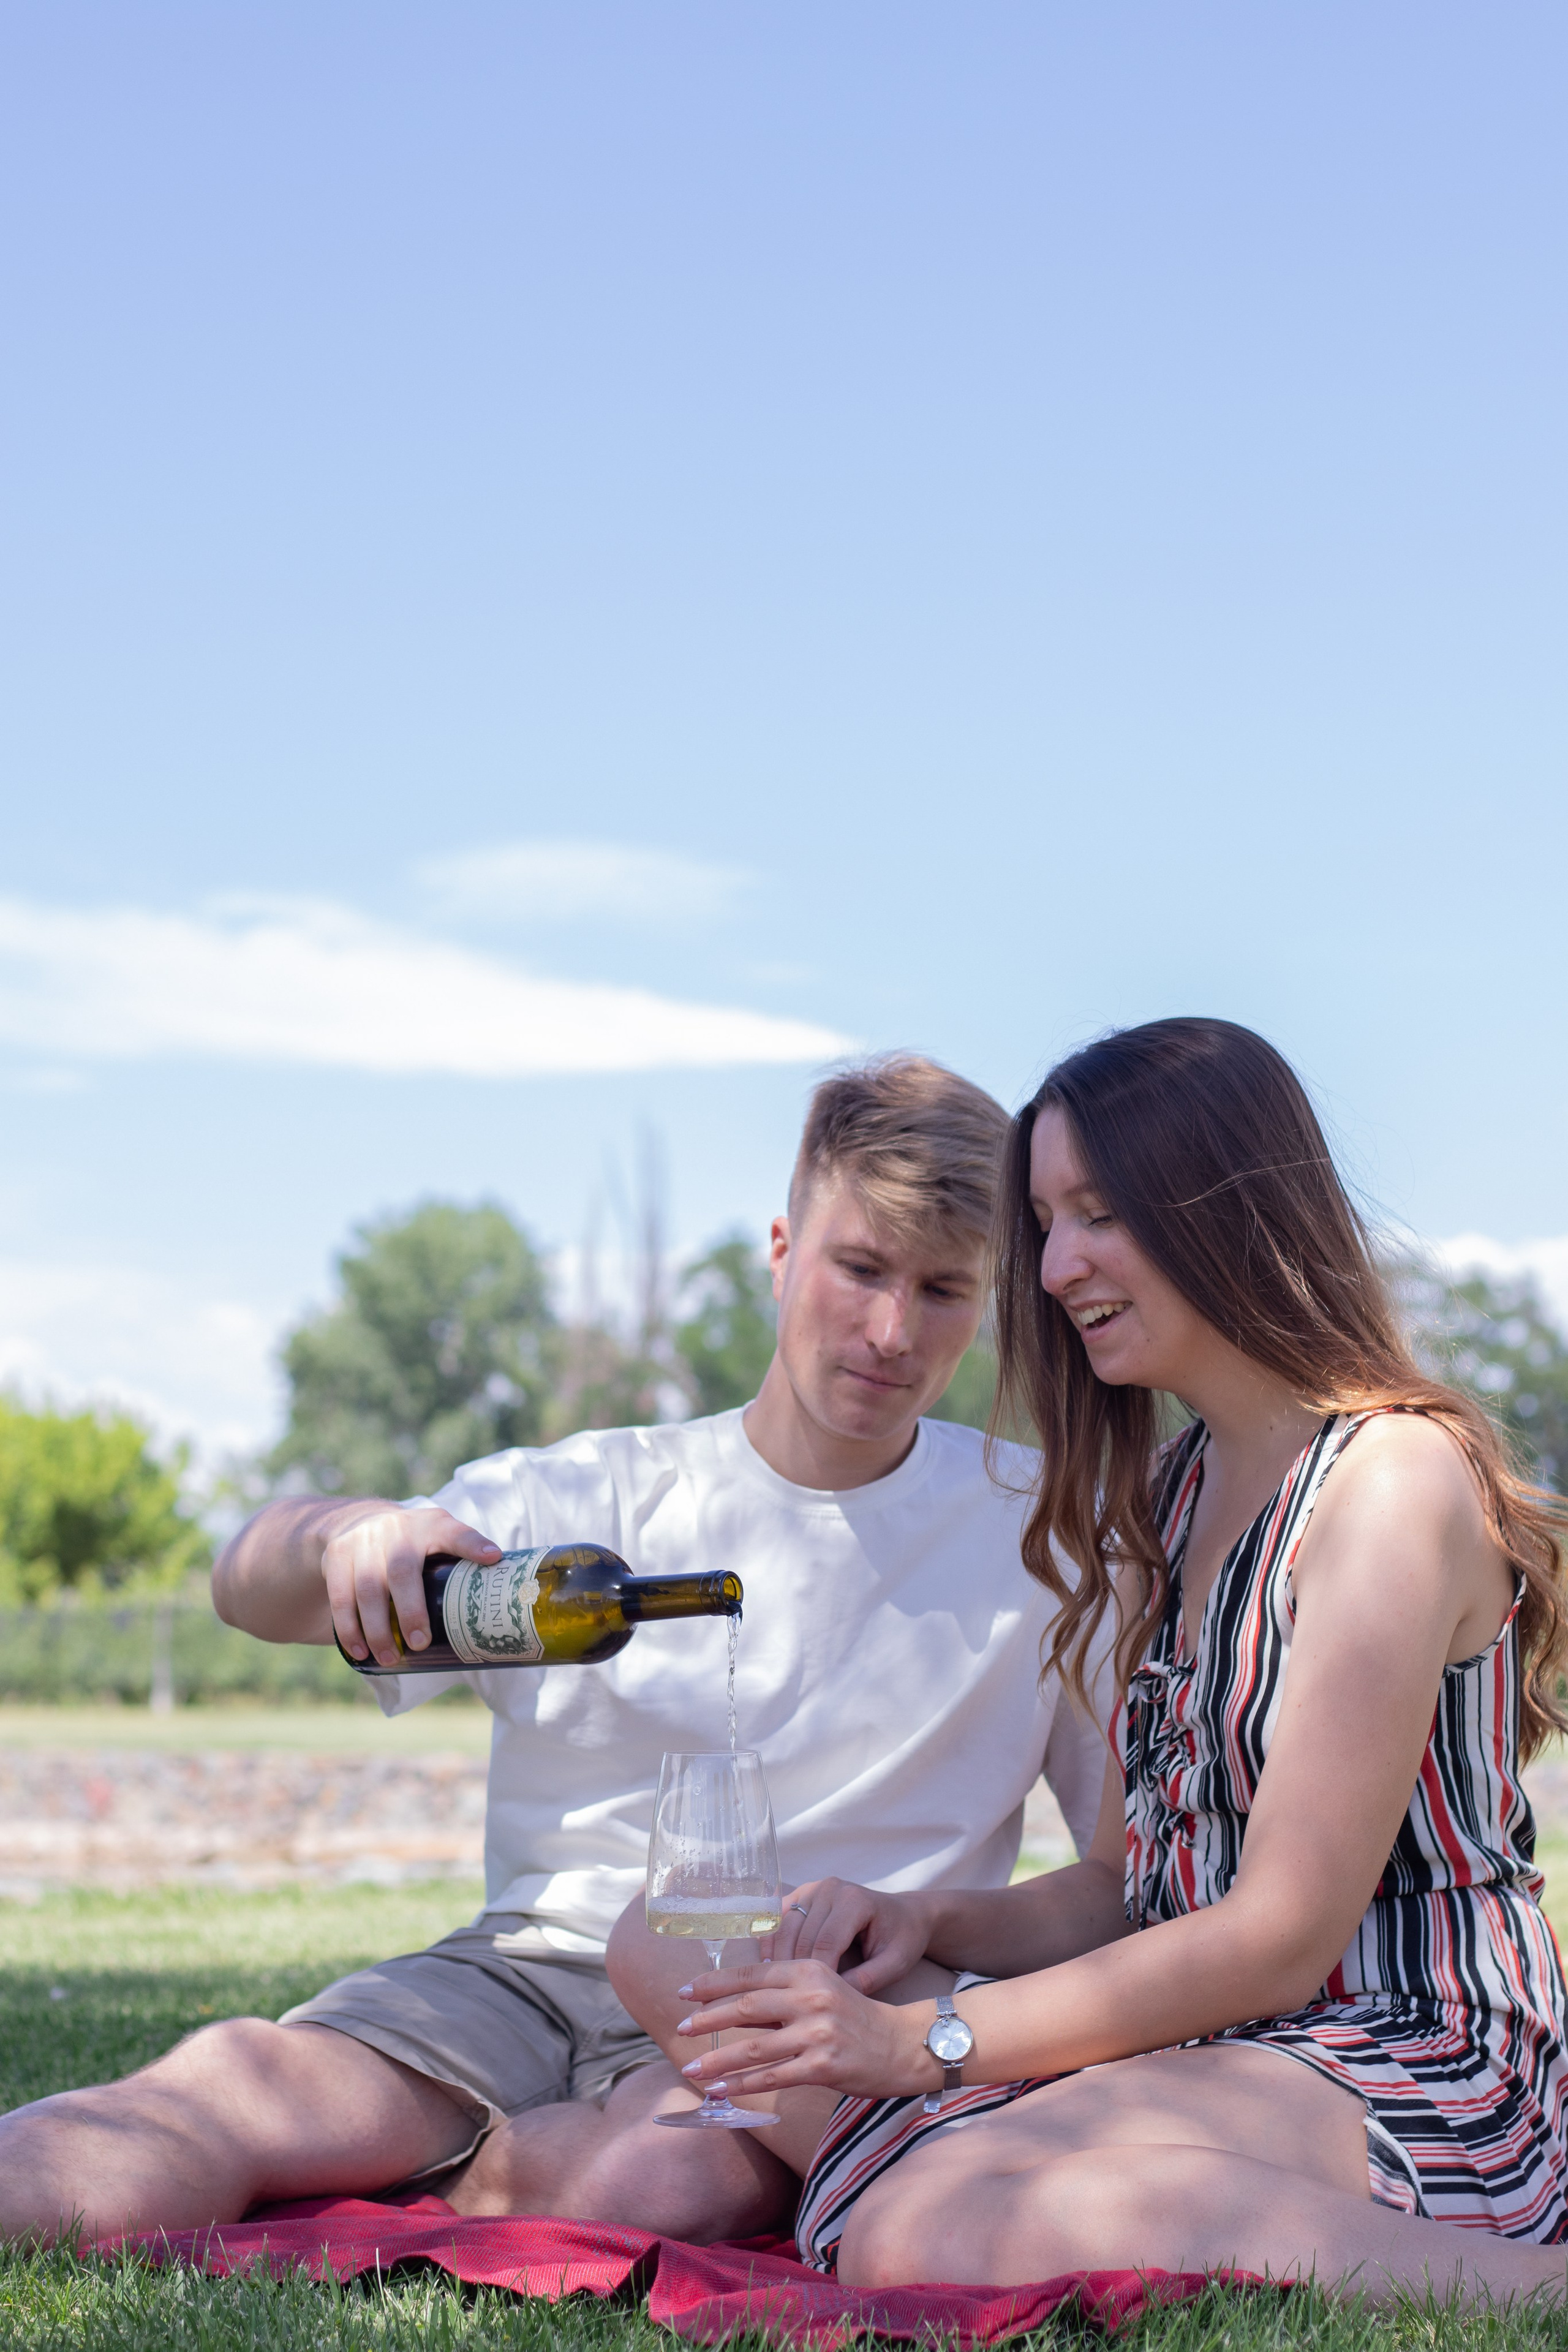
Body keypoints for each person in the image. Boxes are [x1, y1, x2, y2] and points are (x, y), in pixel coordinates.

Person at [0, 1054, 1108, 2250]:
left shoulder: (1042, 1531)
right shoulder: (592, 1492)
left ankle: (456, 2177)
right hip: (524, 1972)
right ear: (783, 1250)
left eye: (941, 1289)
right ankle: (405, 2150)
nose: (891, 1330)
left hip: (811, 2001)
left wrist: (923, 1921)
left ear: (992, 1294)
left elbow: (1110, 1881)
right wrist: (340, 1535)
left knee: (669, 2192)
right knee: (187, 2116)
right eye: (859, 1269)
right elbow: (246, 1587)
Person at [609, 1018, 1568, 2309]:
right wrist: (929, 1924)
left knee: (923, 2232)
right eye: (1047, 1223)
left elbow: (1278, 1937)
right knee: (669, 1944)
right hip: (1215, 2036)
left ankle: (1520, 2286)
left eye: (1095, 1214)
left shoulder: (1388, 1483)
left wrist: (917, 2044)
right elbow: (1143, 1886)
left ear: (1221, 1208)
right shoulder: (1169, 1497)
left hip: (1405, 2054)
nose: (1054, 1268)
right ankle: (956, 2174)